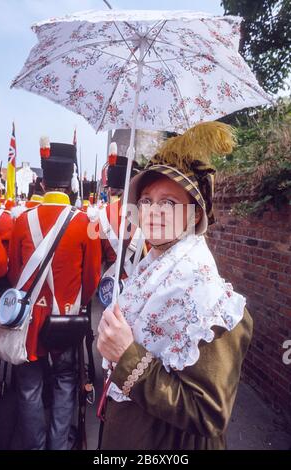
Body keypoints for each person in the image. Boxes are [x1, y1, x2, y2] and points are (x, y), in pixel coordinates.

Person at [97, 121, 253, 450]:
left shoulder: (205, 295)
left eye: (168, 203)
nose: (152, 212)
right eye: (148, 200)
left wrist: (126, 355)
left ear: (195, 215)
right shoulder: (150, 270)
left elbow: (208, 413)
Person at [8, 140, 101, 450]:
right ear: (71, 184)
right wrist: (74, 303)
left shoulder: (22, 220)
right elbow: (92, 280)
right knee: (65, 384)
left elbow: (15, 277)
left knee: (29, 388)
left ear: (43, 182)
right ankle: (58, 445)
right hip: (66, 322)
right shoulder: (86, 223)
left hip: (31, 324)